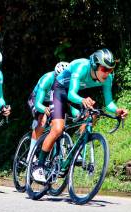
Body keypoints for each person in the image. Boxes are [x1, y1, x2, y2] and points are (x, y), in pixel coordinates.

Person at [32, 48, 128, 182]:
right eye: (104, 69)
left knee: (93, 113)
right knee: (58, 129)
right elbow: (71, 94)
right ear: (95, 65)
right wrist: (82, 100)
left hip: (74, 94)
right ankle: (39, 165)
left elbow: (109, 103)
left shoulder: (108, 78)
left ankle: (77, 144)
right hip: (60, 90)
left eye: (110, 70)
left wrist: (117, 110)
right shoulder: (82, 67)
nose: (107, 73)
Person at [27, 62, 70, 153]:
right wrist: (43, 109)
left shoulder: (67, 82)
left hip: (54, 100)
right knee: (42, 120)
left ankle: (57, 149)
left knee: (61, 120)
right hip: (38, 99)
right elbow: (38, 104)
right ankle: (31, 153)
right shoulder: (47, 79)